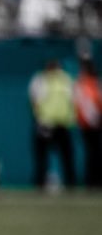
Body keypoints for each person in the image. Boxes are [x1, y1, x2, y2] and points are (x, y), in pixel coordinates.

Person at [29, 59, 76, 189]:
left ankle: (68, 184)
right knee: (45, 157)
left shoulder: (61, 80)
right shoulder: (45, 80)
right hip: (51, 123)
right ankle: (42, 183)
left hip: (56, 123)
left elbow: (34, 100)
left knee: (63, 157)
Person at [74, 60, 100, 188]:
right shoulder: (87, 85)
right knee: (92, 154)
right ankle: (92, 181)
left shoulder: (92, 84)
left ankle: (93, 181)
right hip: (90, 125)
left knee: (94, 154)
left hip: (91, 124)